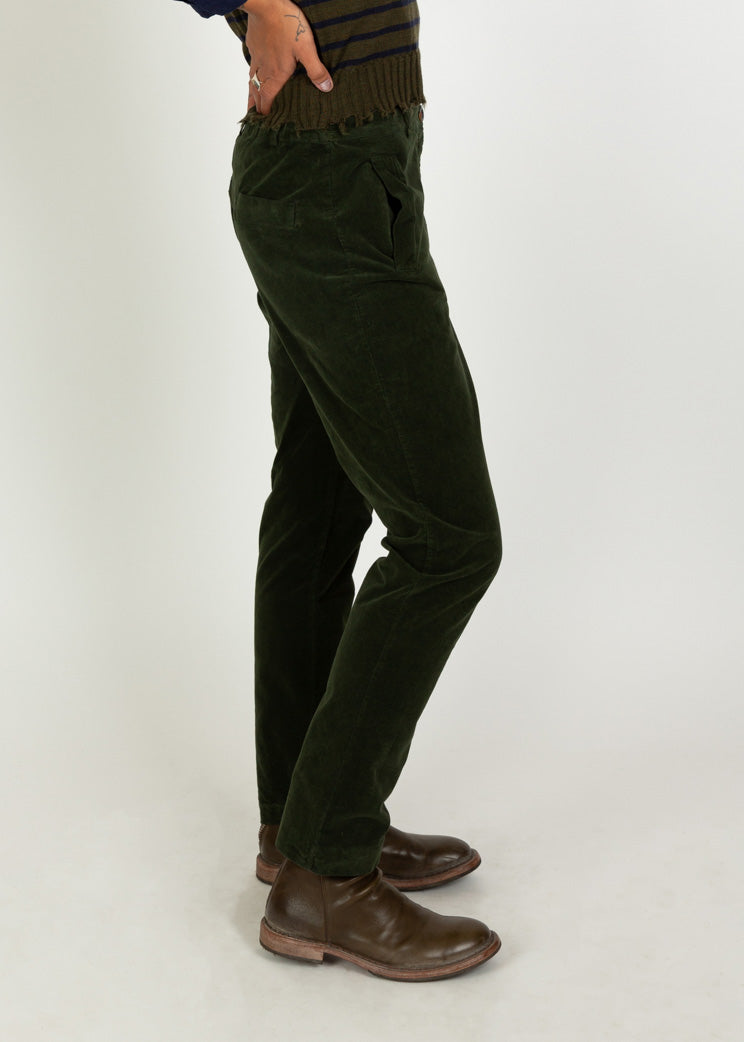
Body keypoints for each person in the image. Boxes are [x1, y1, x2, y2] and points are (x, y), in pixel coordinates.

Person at [175, 0, 503, 981]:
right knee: (448, 537)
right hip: (325, 164)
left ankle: (300, 822)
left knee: (321, 508)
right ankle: (325, 868)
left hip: (355, 154)